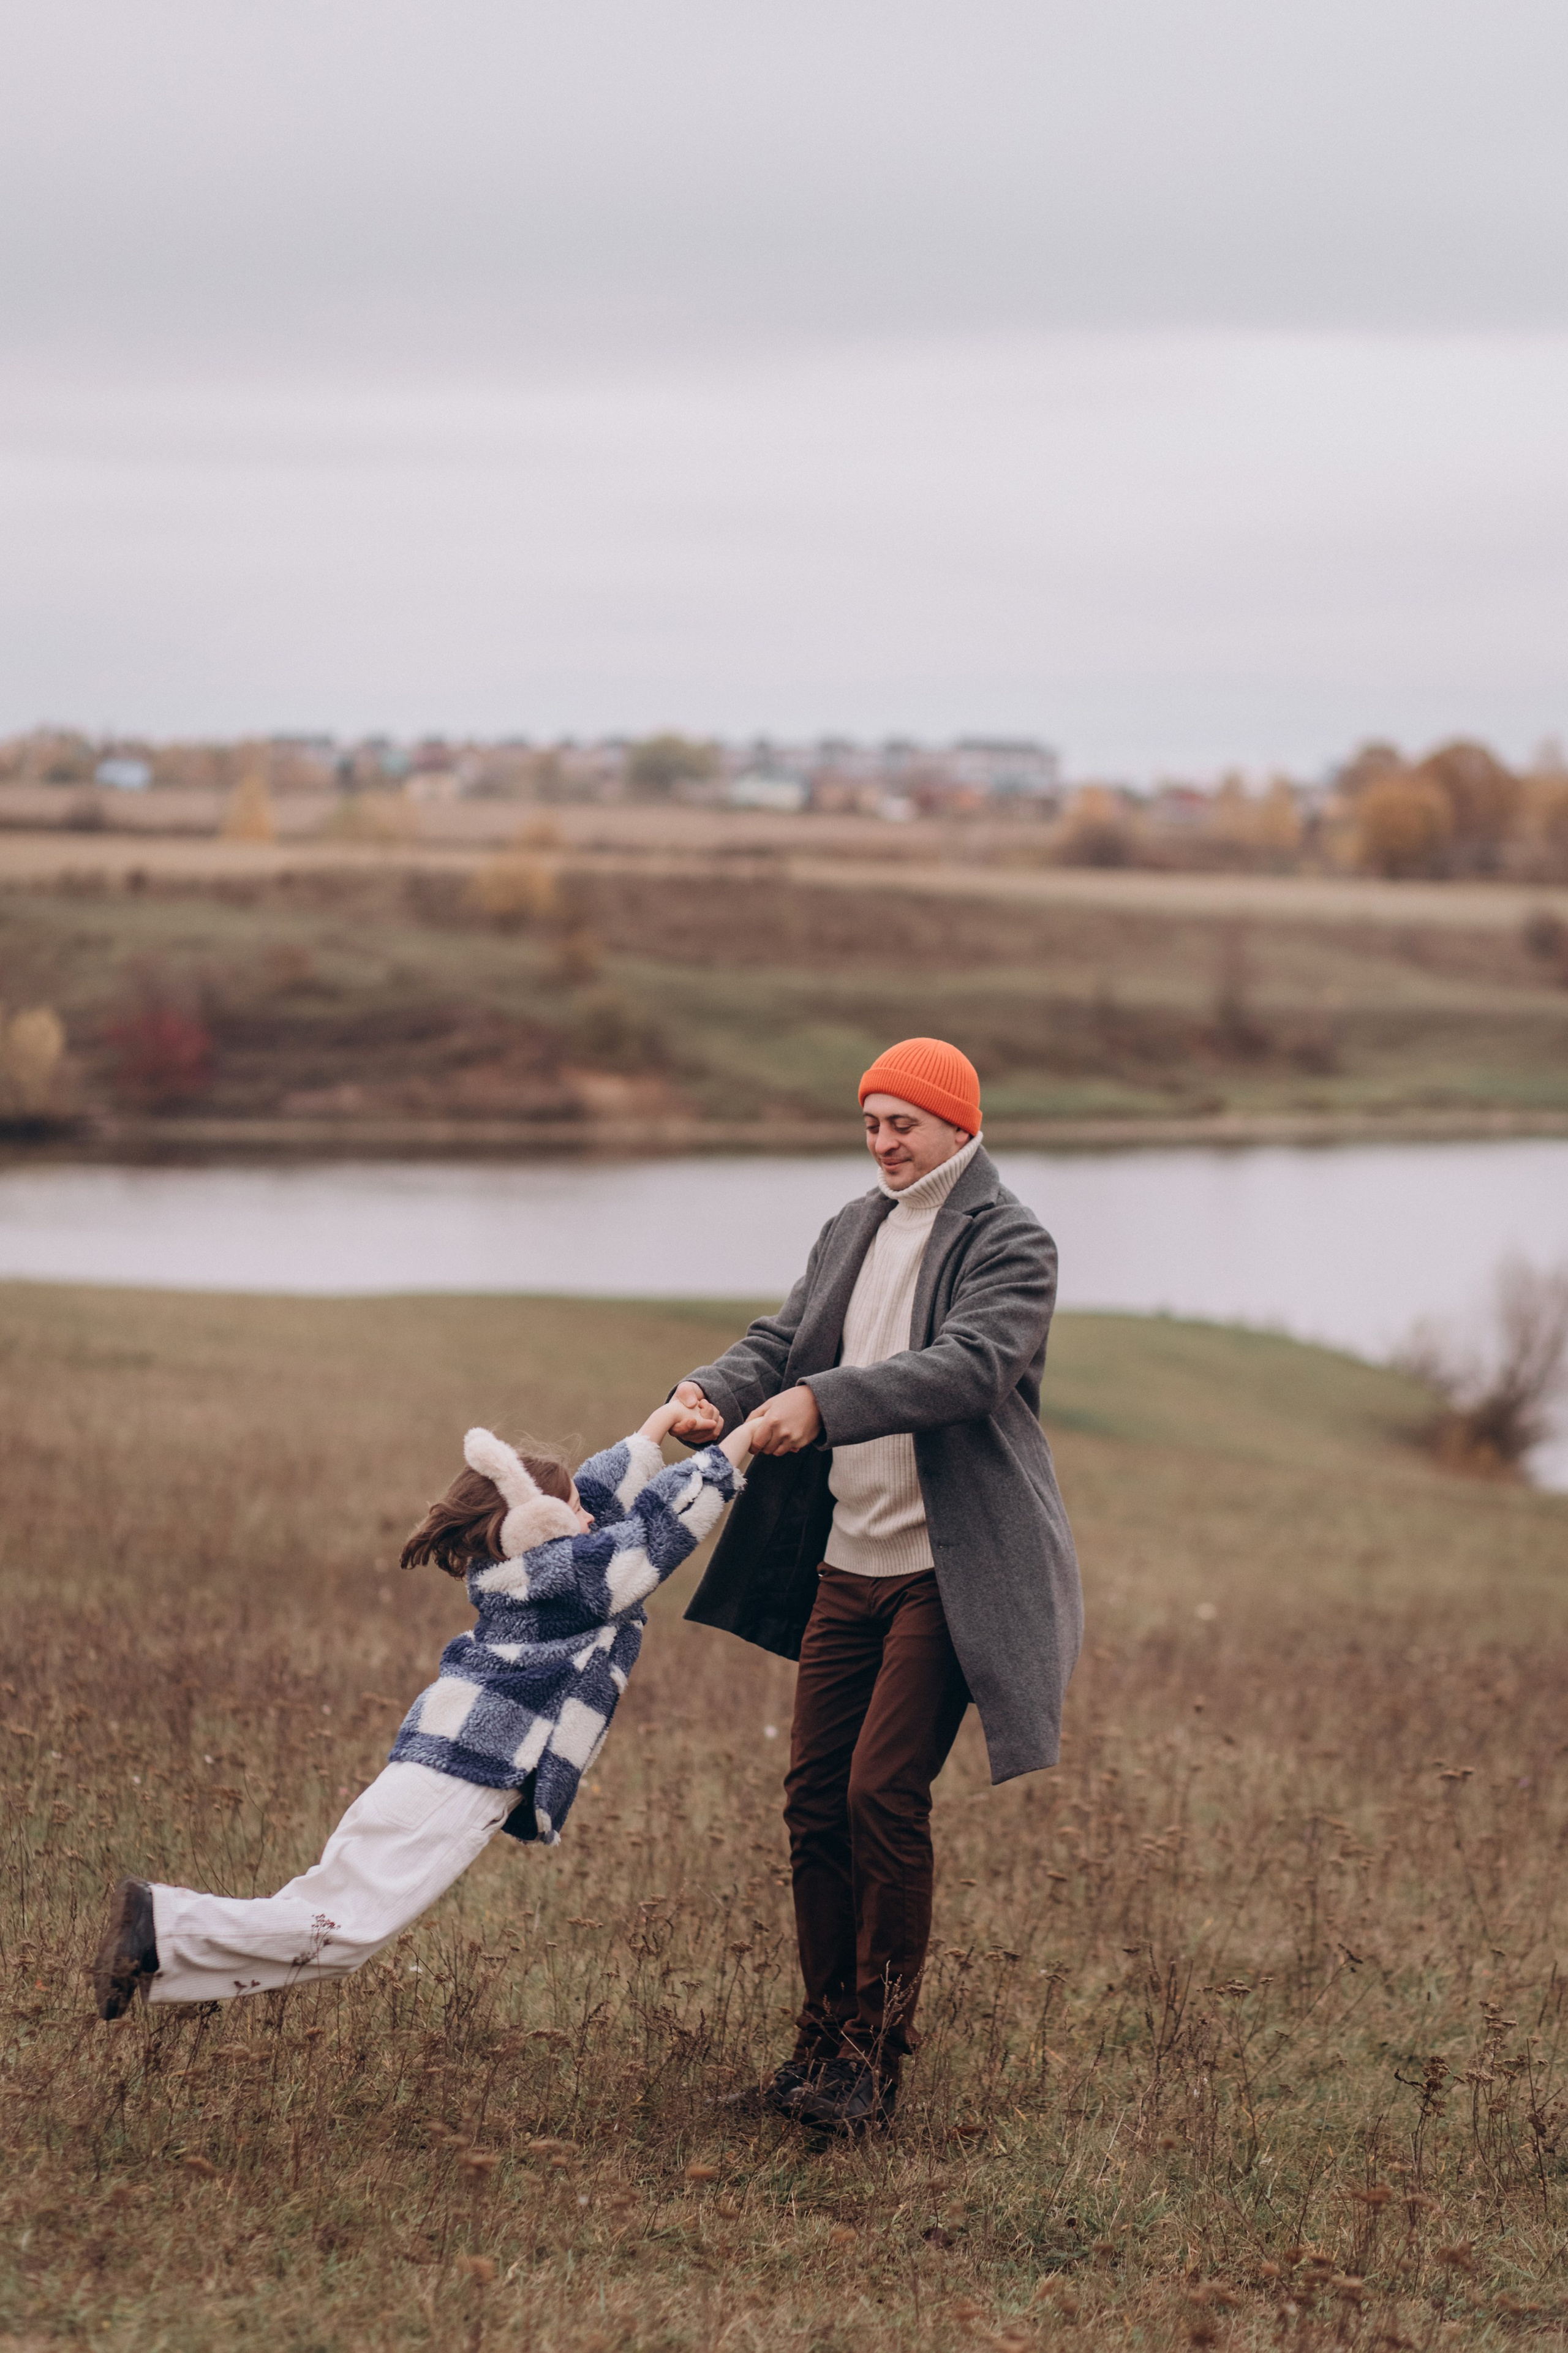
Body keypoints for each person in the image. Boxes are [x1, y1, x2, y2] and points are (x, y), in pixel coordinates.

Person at [673, 1036, 1081, 2131]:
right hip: (848, 1562)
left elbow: (970, 1366)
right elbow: (782, 1339)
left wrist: (827, 1401)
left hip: (951, 1570)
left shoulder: (1011, 1240)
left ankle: (873, 2060)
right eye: (870, 1123)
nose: (883, 1142)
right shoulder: (851, 1226)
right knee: (814, 1802)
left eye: (902, 1122)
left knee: (880, 1795)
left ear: (958, 1123)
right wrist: (713, 1390)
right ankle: (817, 2049)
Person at [92, 1401, 748, 2018]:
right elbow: (656, 1536)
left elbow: (602, 1499)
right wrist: (739, 1447)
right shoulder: (572, 1577)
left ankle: (155, 1961)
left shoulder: (536, 1566)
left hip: (439, 1761)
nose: (588, 1518)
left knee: (334, 1915)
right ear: (537, 1521)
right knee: (347, 1928)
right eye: (573, 1510)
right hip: (465, 1774)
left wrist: (660, 1423)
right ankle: (160, 1923)